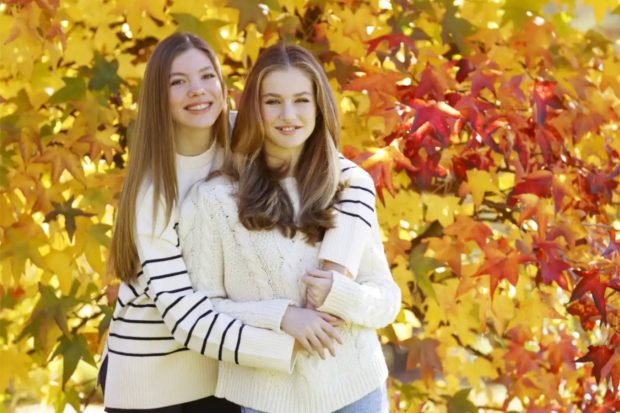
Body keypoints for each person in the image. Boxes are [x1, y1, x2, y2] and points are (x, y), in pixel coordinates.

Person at [100, 33, 380, 412]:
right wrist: (288, 333)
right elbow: (185, 313)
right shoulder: (154, 193)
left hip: (226, 368)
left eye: (206, 76)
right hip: (156, 376)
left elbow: (349, 178)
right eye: (177, 82)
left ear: (223, 84)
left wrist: (338, 264)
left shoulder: (244, 132)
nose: (197, 91)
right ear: (158, 97)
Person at [179, 43, 401, 413]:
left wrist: (343, 295)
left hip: (357, 392)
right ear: (254, 108)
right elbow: (203, 310)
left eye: (301, 100)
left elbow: (386, 299)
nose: (288, 115)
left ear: (318, 107)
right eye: (272, 101)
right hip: (265, 400)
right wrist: (283, 317)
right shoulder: (213, 200)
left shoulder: (347, 188)